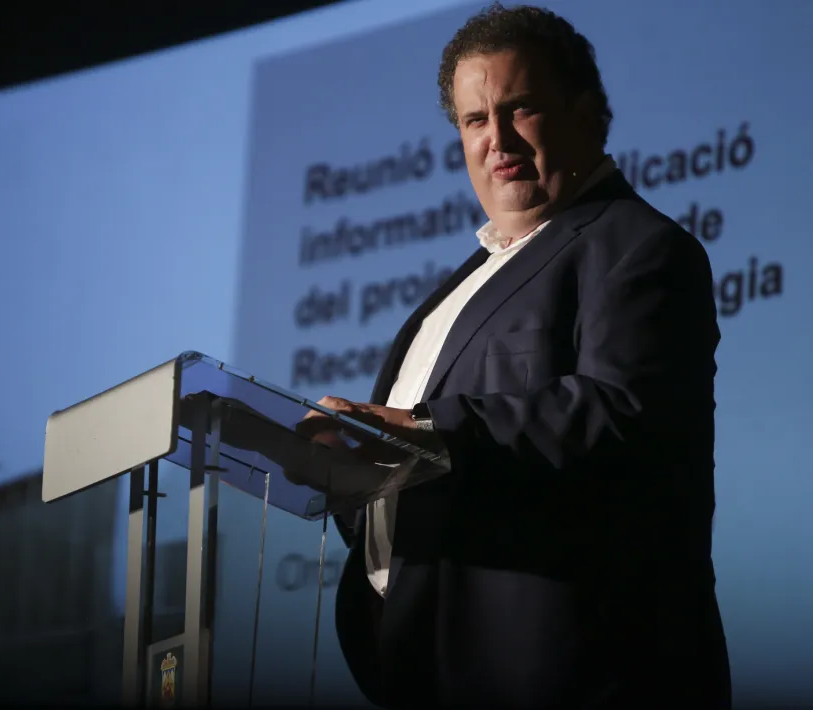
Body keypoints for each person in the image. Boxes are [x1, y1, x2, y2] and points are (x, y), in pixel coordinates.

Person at [298, 3, 731, 708]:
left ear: (589, 115)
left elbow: (618, 413)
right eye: (474, 121)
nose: (495, 140)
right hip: (429, 665)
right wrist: (348, 467)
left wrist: (425, 431)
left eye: (520, 109)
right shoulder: (457, 287)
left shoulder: (638, 248)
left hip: (575, 673)